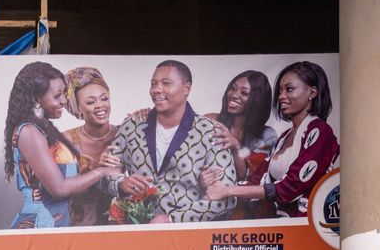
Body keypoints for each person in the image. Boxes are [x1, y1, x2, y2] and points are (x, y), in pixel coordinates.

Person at [101, 60, 236, 224]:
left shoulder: (211, 132)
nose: (157, 90)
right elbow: (103, 174)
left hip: (189, 238)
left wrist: (173, 219)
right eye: (153, 84)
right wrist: (121, 184)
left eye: (166, 83)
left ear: (187, 88)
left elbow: (226, 198)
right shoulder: (132, 125)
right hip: (137, 235)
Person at [201, 60, 339, 218]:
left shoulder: (320, 131)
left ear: (312, 93)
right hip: (283, 226)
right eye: (280, 90)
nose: (281, 96)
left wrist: (228, 190)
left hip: (308, 227)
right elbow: (258, 181)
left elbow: (289, 187)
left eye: (289, 89)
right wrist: (215, 185)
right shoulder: (284, 137)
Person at [3, 61, 119, 228]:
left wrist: (94, 167)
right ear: (37, 98)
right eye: (57, 96)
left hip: (59, 224)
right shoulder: (29, 132)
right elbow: (59, 189)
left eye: (64, 94)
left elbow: (70, 183)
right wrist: (101, 172)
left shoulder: (42, 129)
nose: (64, 100)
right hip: (41, 226)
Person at [63, 66, 119, 227]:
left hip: (123, 223)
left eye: (104, 98)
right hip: (81, 226)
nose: (100, 105)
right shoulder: (66, 140)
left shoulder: (126, 133)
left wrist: (148, 117)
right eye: (90, 102)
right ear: (77, 108)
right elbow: (60, 189)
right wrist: (93, 168)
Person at [207, 70, 276, 186]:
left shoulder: (267, 135)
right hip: (210, 195)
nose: (234, 95)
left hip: (246, 201)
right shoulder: (210, 121)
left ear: (257, 100)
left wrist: (235, 147)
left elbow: (247, 178)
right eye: (233, 88)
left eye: (244, 93)